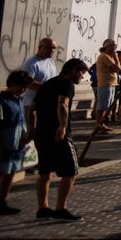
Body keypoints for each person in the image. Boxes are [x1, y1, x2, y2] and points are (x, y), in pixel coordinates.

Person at [31, 58, 89, 221]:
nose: (82, 77)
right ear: (73, 70)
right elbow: (62, 104)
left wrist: (31, 128)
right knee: (70, 172)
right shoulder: (66, 84)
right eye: (81, 73)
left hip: (42, 133)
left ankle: (43, 208)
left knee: (45, 172)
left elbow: (32, 108)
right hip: (59, 135)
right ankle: (60, 209)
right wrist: (62, 126)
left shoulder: (48, 84)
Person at [0, 71, 32, 214]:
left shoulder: (19, 100)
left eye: (25, 88)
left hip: (17, 144)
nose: (23, 90)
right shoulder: (1, 102)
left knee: (10, 173)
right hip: (4, 144)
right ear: (12, 84)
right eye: (21, 87)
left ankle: (2, 202)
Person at [21, 37, 60, 112]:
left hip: (46, 104)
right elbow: (28, 83)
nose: (52, 50)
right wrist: (48, 88)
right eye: (48, 48)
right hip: (31, 105)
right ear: (40, 48)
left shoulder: (51, 62)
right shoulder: (31, 63)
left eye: (54, 48)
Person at [93, 40, 121, 134]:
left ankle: (102, 124)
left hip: (111, 83)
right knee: (102, 105)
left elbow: (116, 69)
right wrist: (116, 57)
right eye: (113, 45)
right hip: (105, 84)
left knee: (107, 106)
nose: (115, 47)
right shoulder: (104, 56)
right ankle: (98, 124)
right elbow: (118, 68)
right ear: (107, 46)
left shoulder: (110, 56)